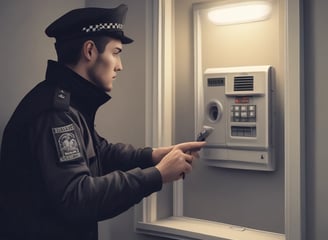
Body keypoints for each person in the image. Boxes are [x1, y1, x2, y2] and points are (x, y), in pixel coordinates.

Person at [0, 4, 205, 240]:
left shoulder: (69, 103)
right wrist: (157, 175)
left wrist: (154, 156)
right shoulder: (54, 113)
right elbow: (78, 197)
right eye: (116, 52)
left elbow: (101, 153)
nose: (119, 65)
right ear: (90, 51)